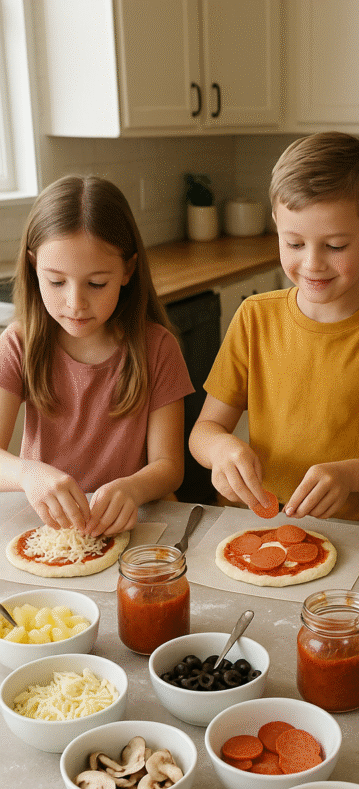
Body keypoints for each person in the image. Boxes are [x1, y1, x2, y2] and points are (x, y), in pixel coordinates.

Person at [189, 131, 359, 525]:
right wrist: (222, 449)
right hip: (265, 526)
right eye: (294, 243)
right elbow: (204, 430)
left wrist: (349, 475)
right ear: (276, 225)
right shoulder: (254, 318)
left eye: (335, 246)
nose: (312, 264)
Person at [0, 175, 194, 537]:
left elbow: (169, 466)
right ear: (32, 267)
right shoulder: (18, 344)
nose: (75, 303)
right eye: (56, 282)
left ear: (128, 270)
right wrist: (27, 472)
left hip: (136, 527)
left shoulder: (157, 347)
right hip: (51, 531)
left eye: (96, 283)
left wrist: (132, 489)